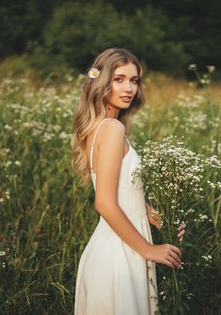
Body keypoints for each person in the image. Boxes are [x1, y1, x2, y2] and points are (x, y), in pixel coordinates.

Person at [71, 48, 185, 315]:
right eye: (119, 79)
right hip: (119, 256)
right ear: (101, 82)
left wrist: (162, 219)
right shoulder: (112, 129)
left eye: (134, 80)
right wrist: (148, 249)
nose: (129, 88)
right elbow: (105, 203)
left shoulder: (101, 126)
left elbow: (127, 194)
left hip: (120, 245)